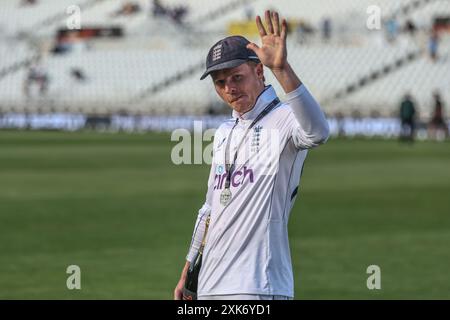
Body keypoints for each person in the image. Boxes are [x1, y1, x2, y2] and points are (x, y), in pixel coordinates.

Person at [174, 10, 329, 300]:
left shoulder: (284, 119)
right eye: (220, 83)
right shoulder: (223, 132)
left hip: (258, 285)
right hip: (209, 285)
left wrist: (282, 70)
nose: (229, 89)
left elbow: (318, 132)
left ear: (259, 71)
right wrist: (188, 271)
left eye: (236, 77)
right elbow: (209, 210)